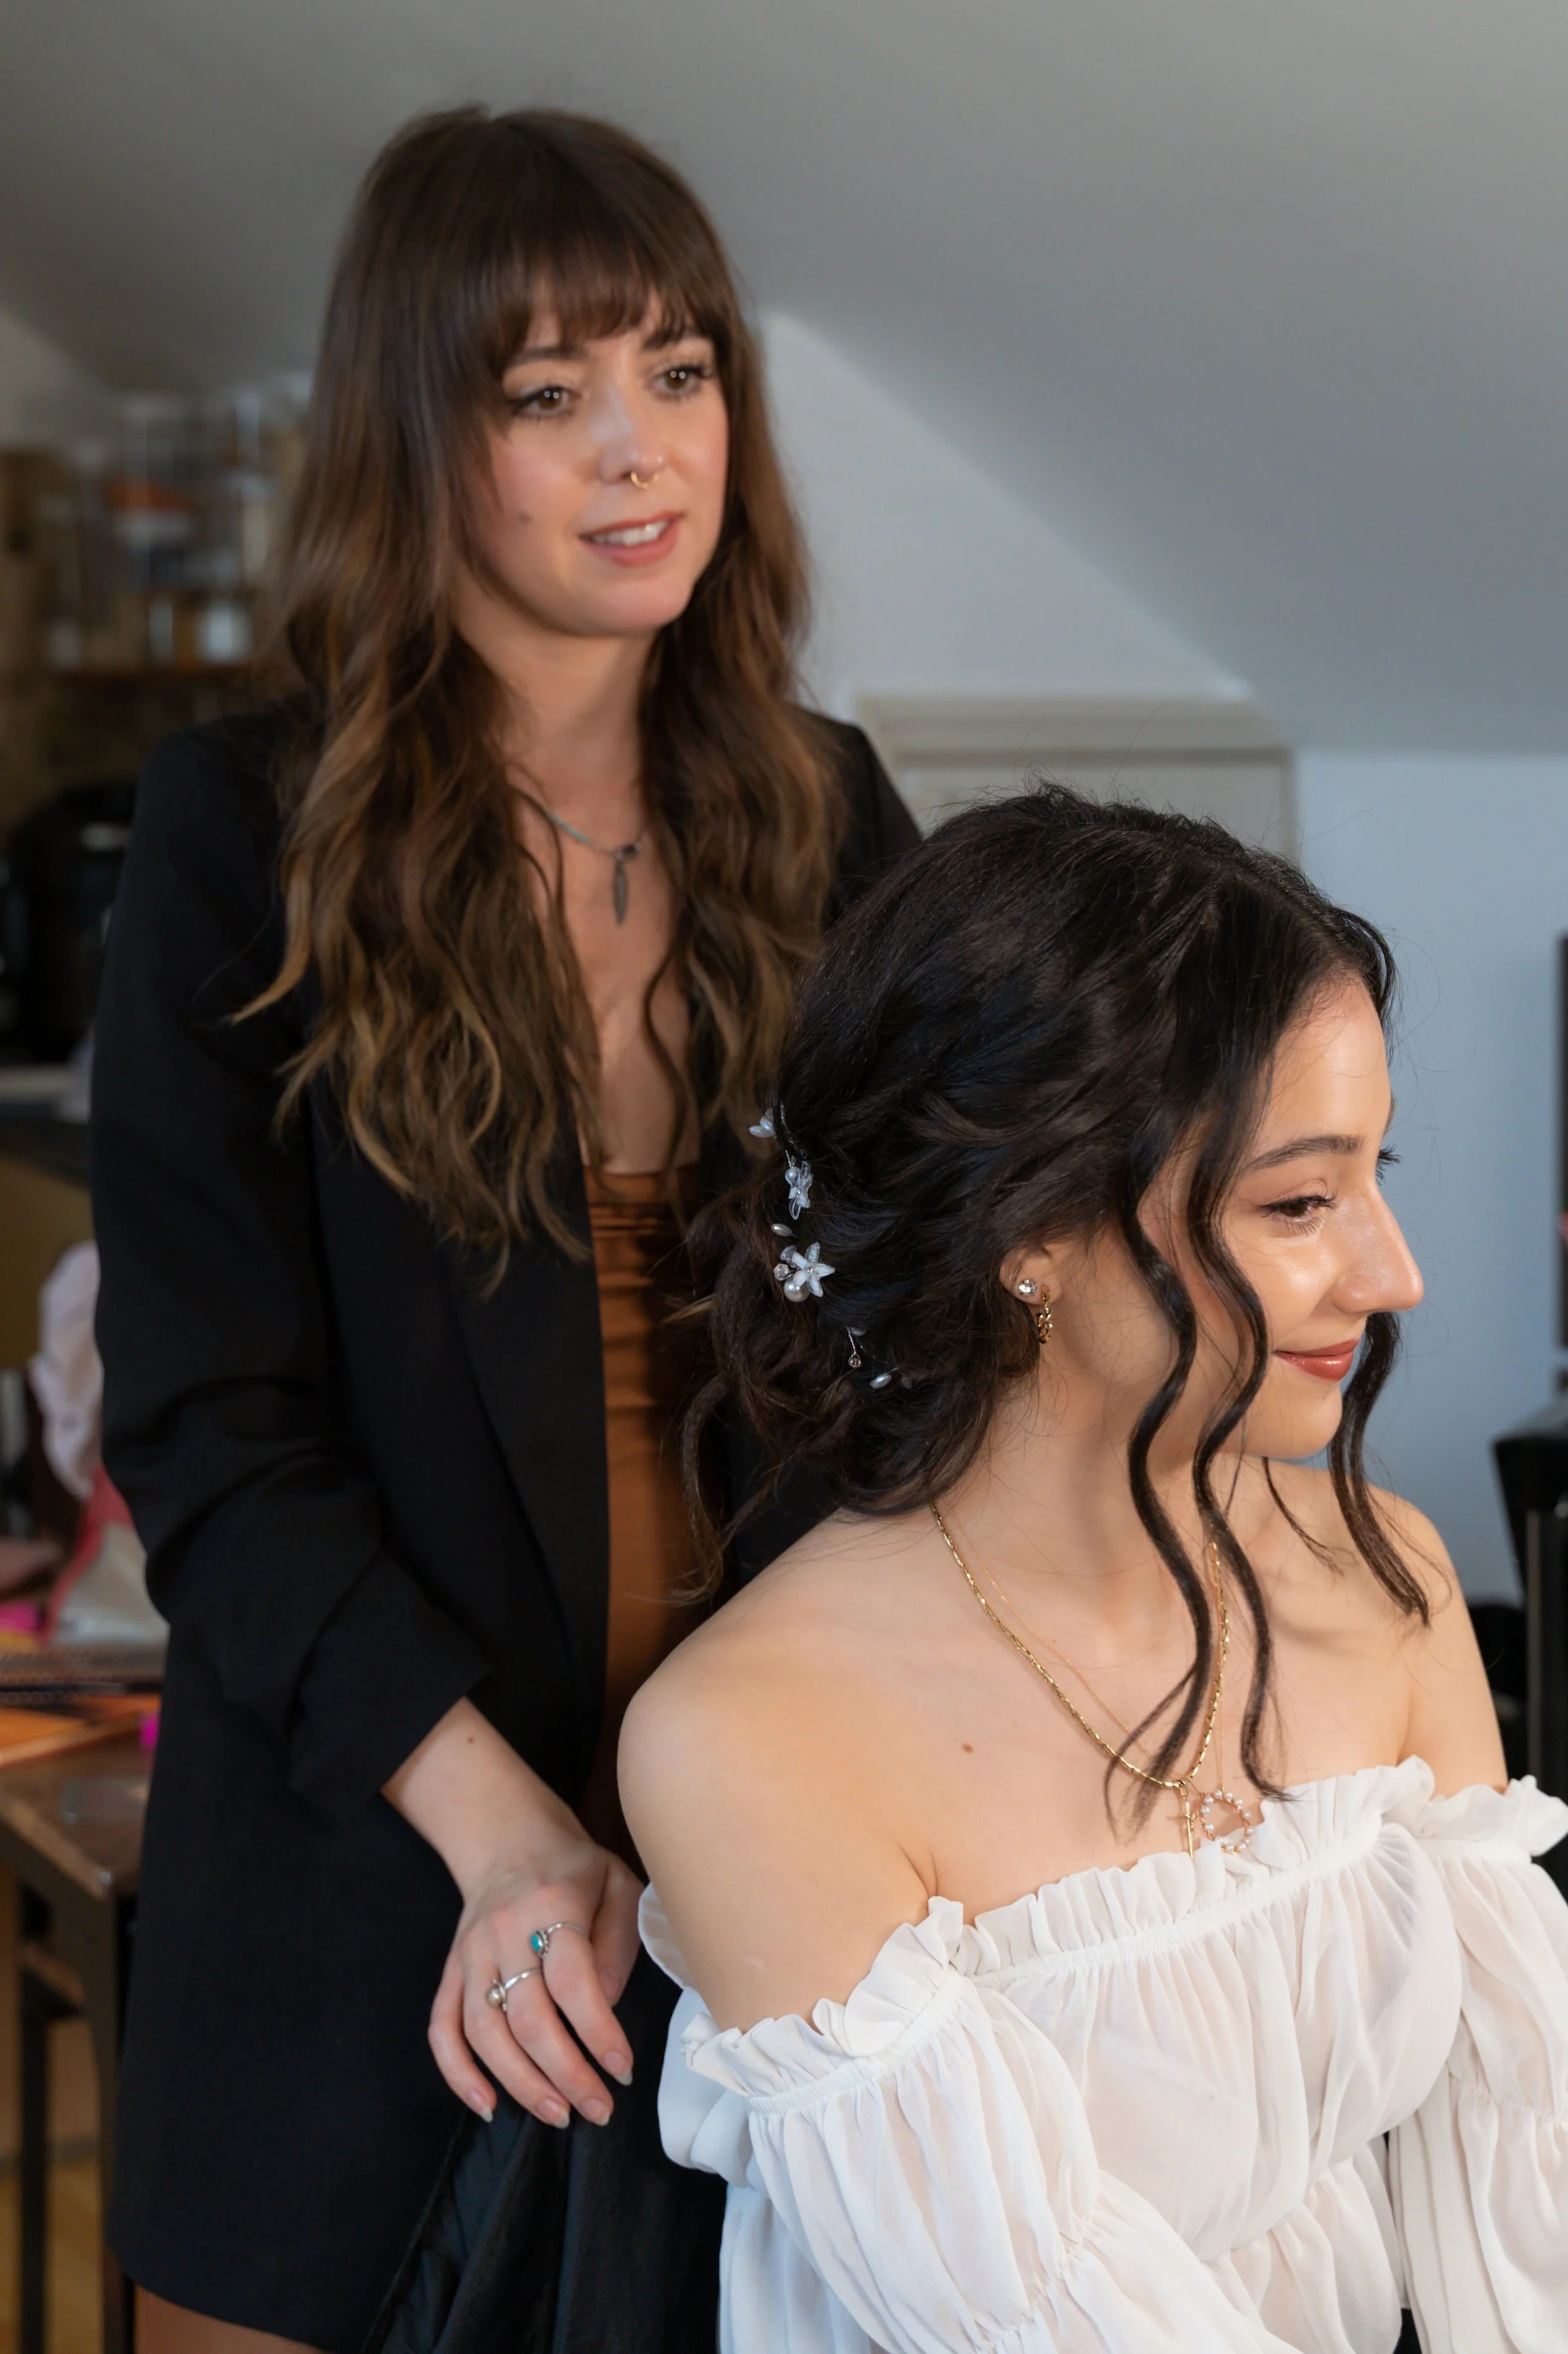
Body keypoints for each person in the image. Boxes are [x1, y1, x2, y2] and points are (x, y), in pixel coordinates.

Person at [90, 107, 915, 2354]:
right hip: (370, 1883)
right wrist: (505, 1836)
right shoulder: (243, 833)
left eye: (681, 370)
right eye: (550, 392)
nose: (641, 448)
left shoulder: (833, 815)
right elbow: (211, 1440)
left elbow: (923, 1357)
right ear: (413, 439)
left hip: (759, 1906)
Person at [622, 786, 1568, 2354]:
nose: (1393, 1274)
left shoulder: (1378, 1574)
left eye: (1373, 1173)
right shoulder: (749, 1740)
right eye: (1298, 1201)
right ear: (1030, 1232)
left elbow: (1523, 2178)